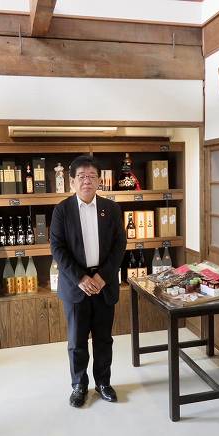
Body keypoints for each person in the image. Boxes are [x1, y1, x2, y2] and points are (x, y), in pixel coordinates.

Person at [50, 155, 126, 407]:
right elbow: (57, 248)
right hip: (76, 285)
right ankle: (79, 385)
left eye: (92, 176)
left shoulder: (111, 209)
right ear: (72, 181)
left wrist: (103, 277)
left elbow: (119, 245)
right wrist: (80, 278)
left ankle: (103, 382)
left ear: (99, 181)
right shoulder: (62, 210)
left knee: (104, 339)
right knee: (77, 341)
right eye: (81, 177)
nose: (87, 181)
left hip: (104, 283)